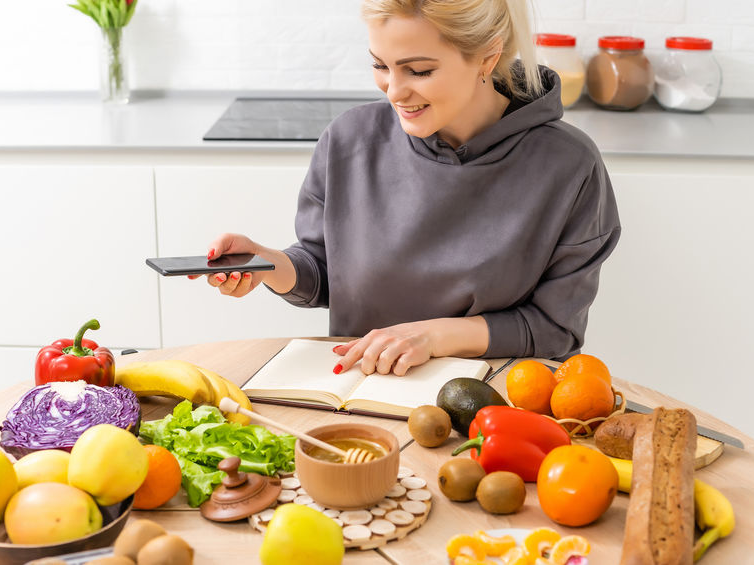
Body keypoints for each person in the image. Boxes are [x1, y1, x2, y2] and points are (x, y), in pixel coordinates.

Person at [195, 0, 620, 377]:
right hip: (363, 391)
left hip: (492, 405)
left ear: (488, 56)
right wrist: (269, 264)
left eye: (419, 70)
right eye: (381, 65)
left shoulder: (568, 165)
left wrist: (432, 337)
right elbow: (326, 273)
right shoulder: (349, 139)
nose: (394, 92)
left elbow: (554, 329)